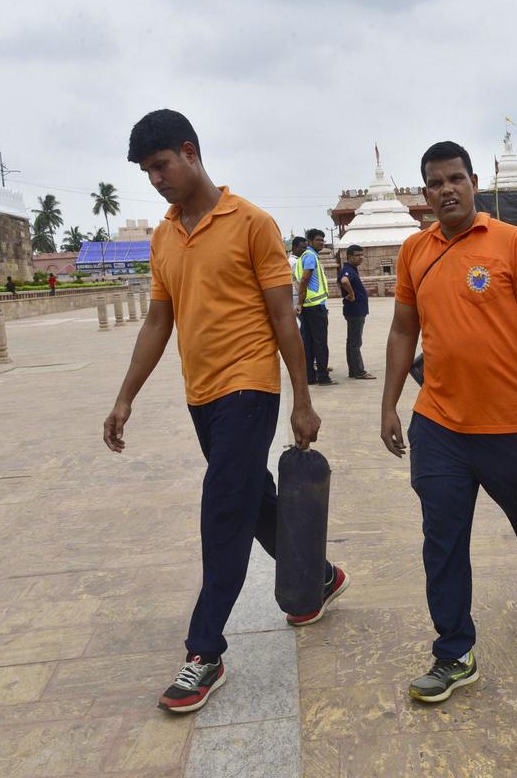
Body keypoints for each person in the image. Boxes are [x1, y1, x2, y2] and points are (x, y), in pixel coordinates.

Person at [103, 109, 348, 715]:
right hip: (202, 396)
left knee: (222, 511)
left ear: (190, 152)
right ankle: (319, 575)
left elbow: (283, 316)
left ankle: (205, 650)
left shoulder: (252, 223)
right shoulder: (164, 237)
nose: (155, 179)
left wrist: (302, 399)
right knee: (251, 498)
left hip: (250, 386)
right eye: (147, 171)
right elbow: (158, 321)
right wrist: (125, 396)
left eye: (161, 165)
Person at [380, 141, 517, 705]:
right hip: (438, 424)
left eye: (455, 179)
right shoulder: (415, 251)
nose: (446, 190)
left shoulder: (511, 243)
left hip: (507, 422)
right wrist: (389, 404)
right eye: (435, 182)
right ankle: (454, 652)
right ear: (425, 193)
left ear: (473, 184)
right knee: (442, 539)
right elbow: (403, 330)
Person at [297, 228, 336, 386]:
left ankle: (310, 377)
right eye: (318, 240)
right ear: (310, 241)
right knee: (320, 343)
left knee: (308, 343)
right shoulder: (311, 256)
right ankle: (323, 377)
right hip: (315, 307)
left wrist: (300, 303)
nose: (321, 242)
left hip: (307, 306)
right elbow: (305, 278)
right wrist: (299, 302)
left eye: (322, 240)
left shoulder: (304, 256)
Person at [338, 244, 374, 379]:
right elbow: (344, 281)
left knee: (352, 341)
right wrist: (352, 294)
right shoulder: (347, 270)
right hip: (355, 311)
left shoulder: (351, 269)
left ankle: (353, 370)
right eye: (357, 255)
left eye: (362, 255)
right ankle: (359, 371)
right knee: (355, 342)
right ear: (349, 257)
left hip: (356, 310)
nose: (361, 257)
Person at [288, 236, 307, 311]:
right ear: (295, 248)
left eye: (306, 248)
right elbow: (302, 280)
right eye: (303, 248)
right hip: (297, 296)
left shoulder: (291, 260)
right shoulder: (295, 262)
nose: (305, 250)